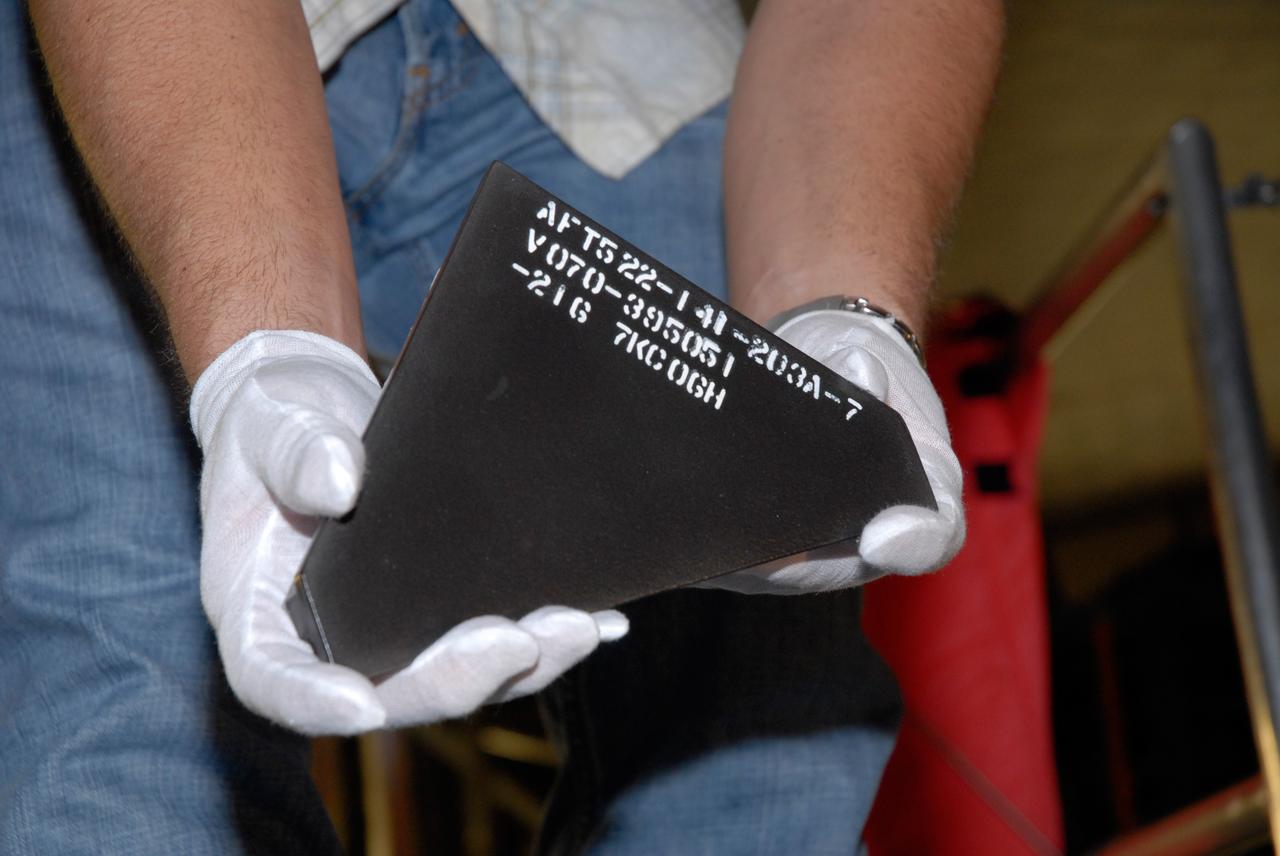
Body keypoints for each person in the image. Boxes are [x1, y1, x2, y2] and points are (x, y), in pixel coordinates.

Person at [2, 0, 1001, 852]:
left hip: (619, 50)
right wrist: (267, 346)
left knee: (769, 738)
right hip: (142, 44)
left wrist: (837, 313)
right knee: (123, 679)